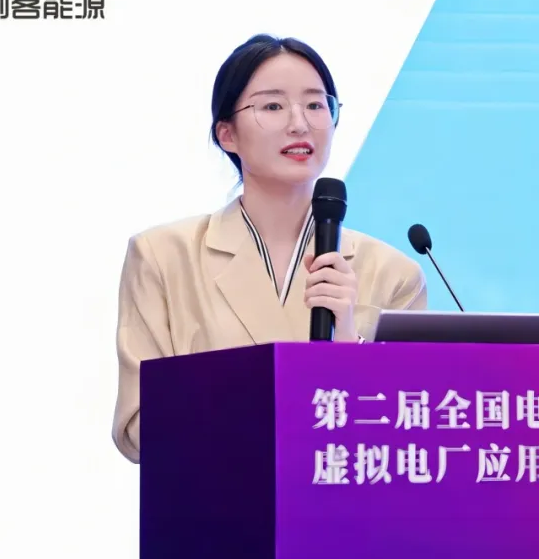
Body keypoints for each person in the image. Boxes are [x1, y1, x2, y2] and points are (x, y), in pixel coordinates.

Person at [111, 34, 427, 463]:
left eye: (316, 105)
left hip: (339, 500)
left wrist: (348, 345)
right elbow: (138, 427)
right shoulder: (163, 256)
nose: (300, 123)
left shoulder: (393, 273)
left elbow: (411, 428)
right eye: (273, 106)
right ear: (227, 134)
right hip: (218, 499)